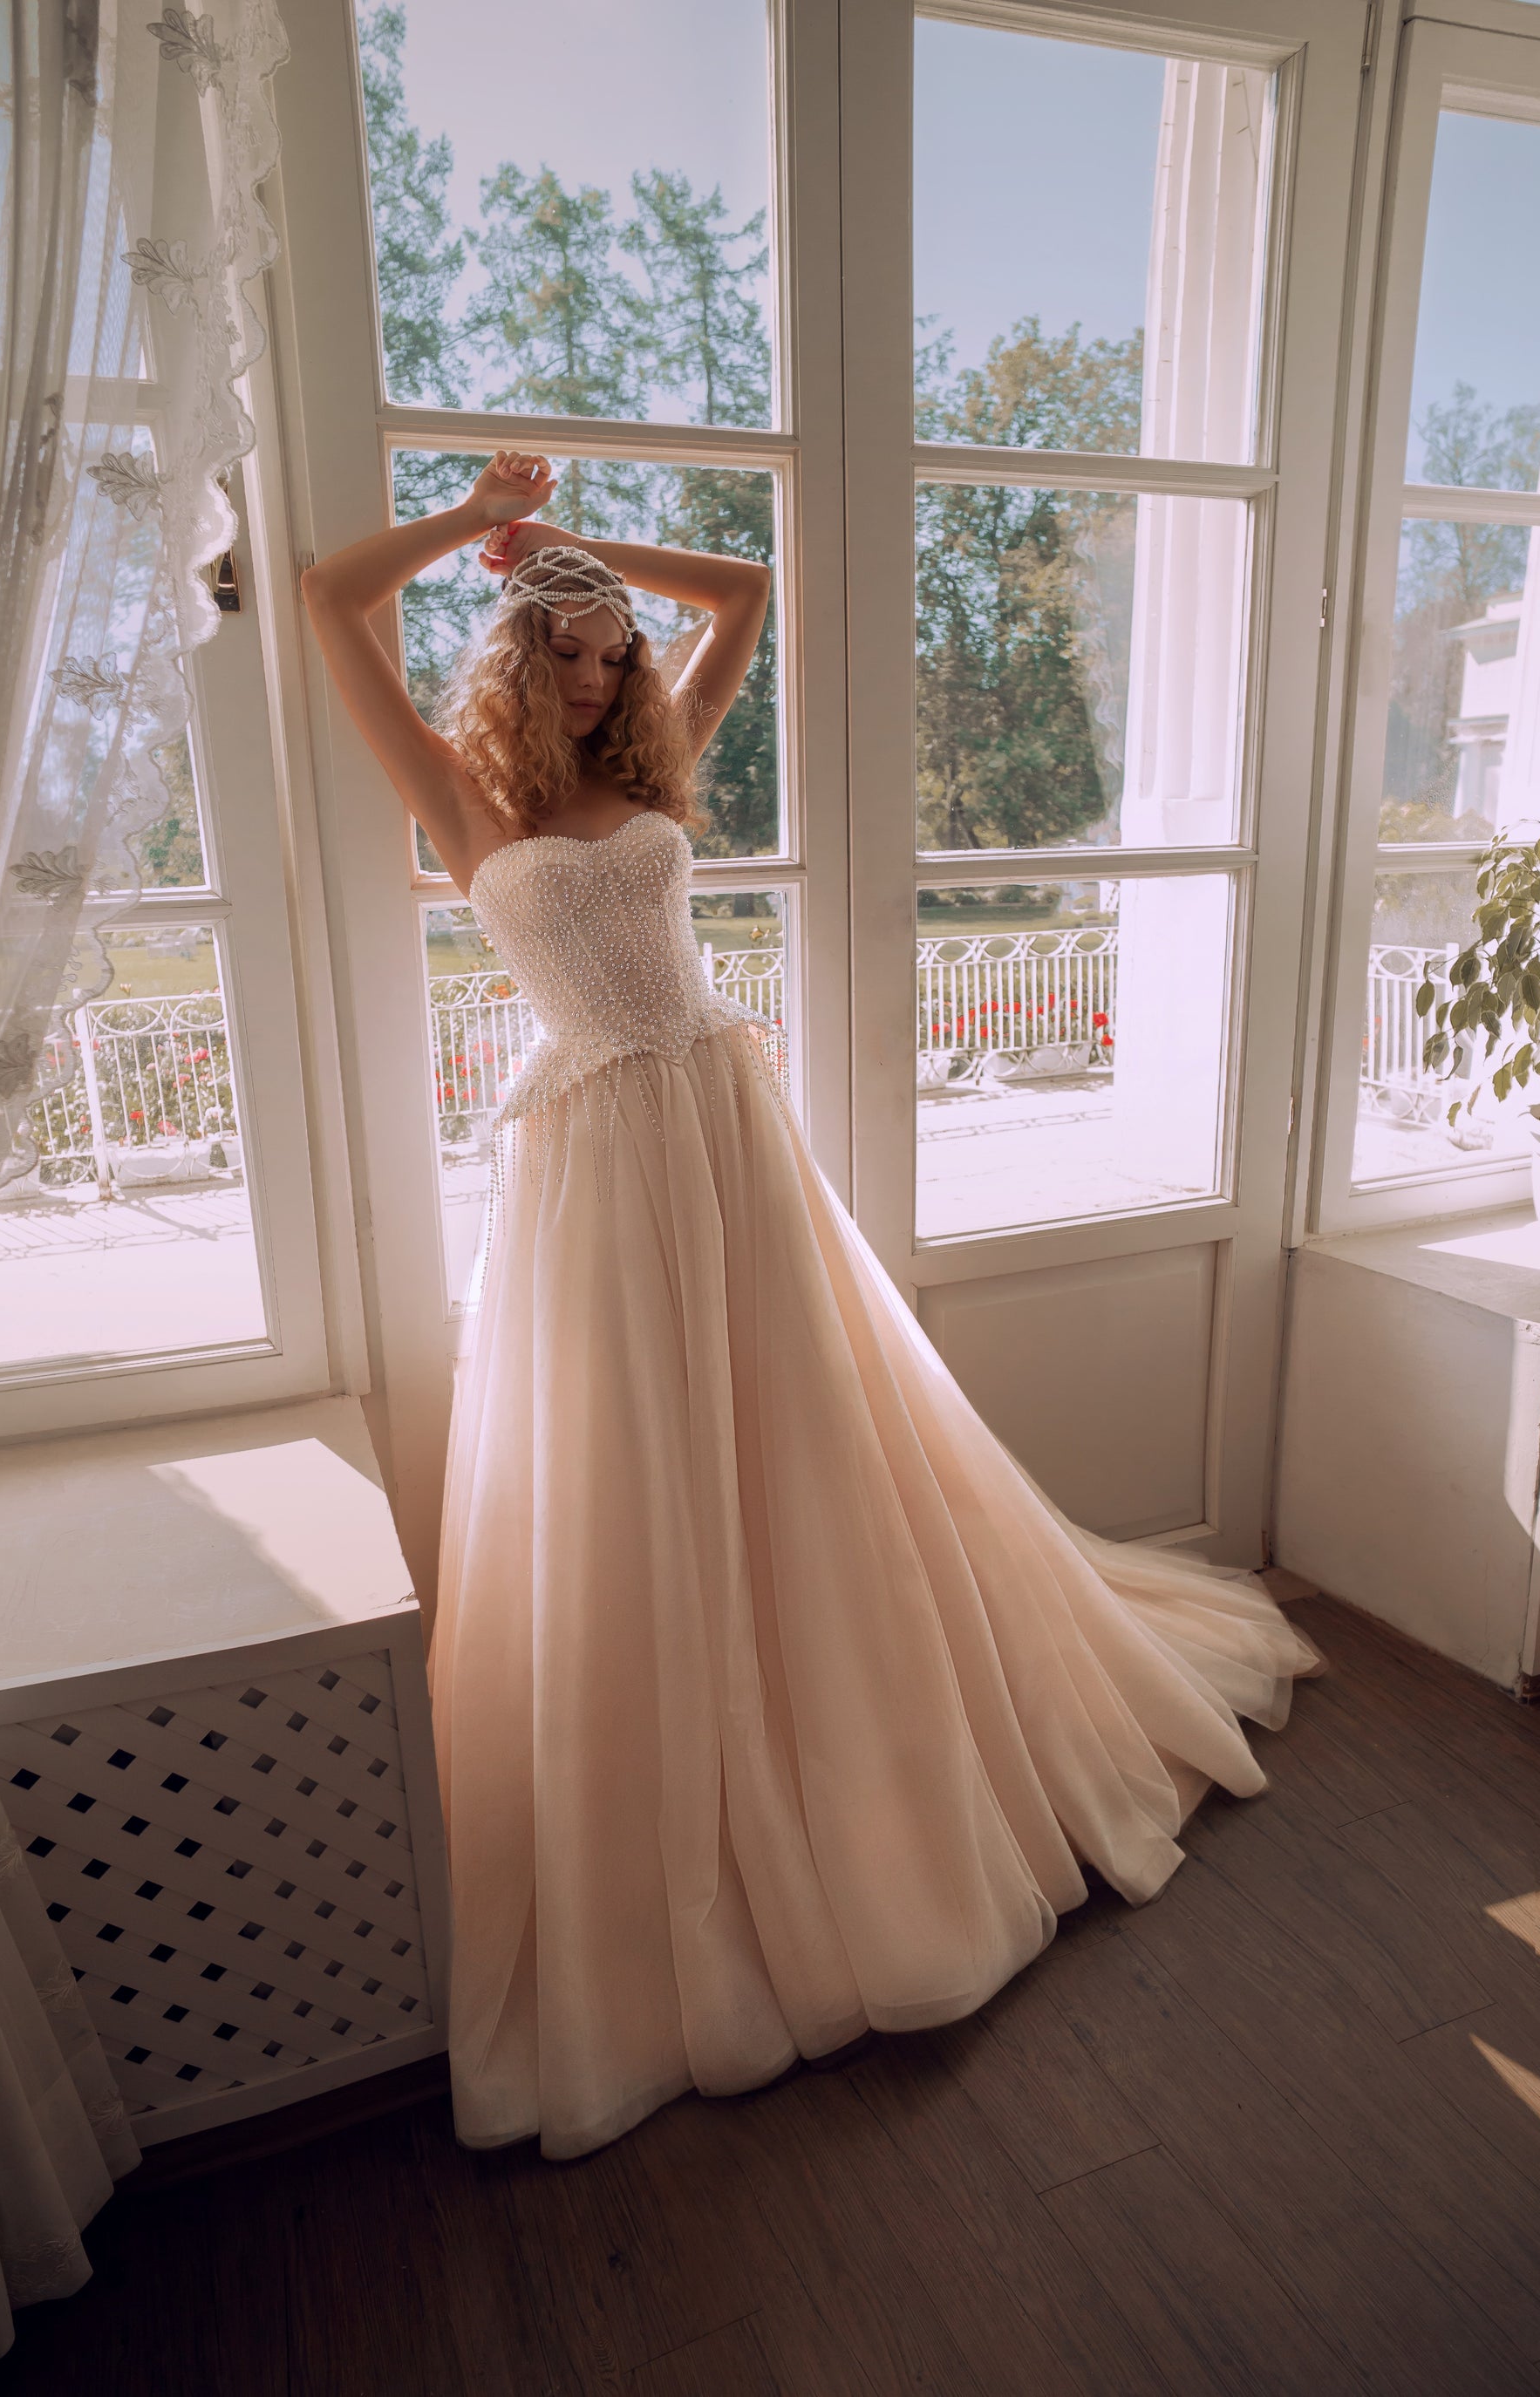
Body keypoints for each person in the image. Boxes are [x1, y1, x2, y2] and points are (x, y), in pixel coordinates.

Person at [303, 449, 1321, 2160]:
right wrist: (482, 532)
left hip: (720, 1127)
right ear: (511, 664)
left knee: (805, 1433)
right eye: (567, 650)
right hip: (597, 1171)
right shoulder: (464, 809)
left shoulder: (658, 752)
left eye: (611, 650)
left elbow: (749, 596)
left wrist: (590, 556)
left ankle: (864, 1752)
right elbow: (334, 604)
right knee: (630, 1477)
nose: (600, 671)